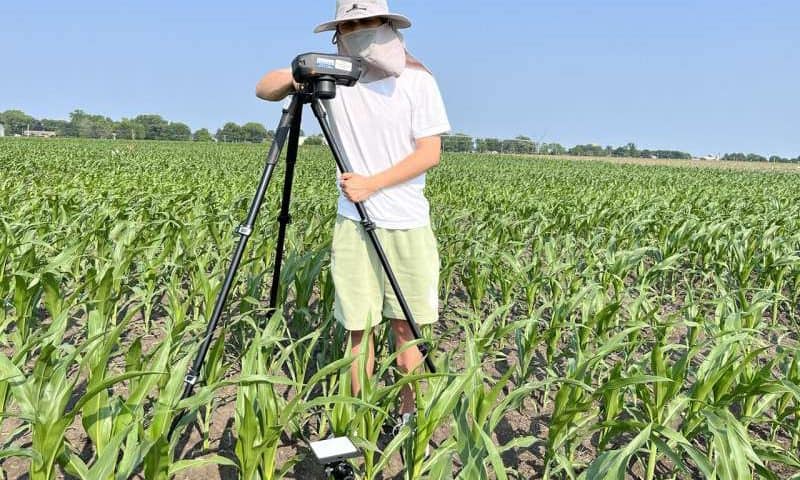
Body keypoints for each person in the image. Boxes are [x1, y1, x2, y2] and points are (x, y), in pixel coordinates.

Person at [255, 0, 450, 429]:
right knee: (358, 329)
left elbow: (430, 153)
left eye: (369, 21)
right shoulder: (333, 80)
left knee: (407, 328)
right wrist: (298, 74)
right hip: (353, 222)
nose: (360, 29)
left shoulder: (417, 79)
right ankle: (361, 415)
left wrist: (372, 183)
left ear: (387, 25)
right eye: (351, 24)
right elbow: (264, 88)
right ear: (337, 34)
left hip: (407, 221)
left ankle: (407, 414)